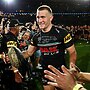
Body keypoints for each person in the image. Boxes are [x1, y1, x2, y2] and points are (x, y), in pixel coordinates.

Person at [22, 5, 77, 90]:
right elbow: (28, 53)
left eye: (43, 17)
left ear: (51, 18)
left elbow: (72, 52)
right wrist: (14, 55)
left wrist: (71, 68)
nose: (40, 20)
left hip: (61, 72)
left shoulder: (62, 33)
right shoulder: (36, 37)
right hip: (45, 72)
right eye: (38, 17)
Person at [0, 19, 25, 90]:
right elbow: (12, 56)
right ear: (15, 27)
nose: (19, 29)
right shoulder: (10, 38)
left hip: (7, 70)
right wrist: (16, 72)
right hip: (10, 71)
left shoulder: (8, 37)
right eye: (19, 27)